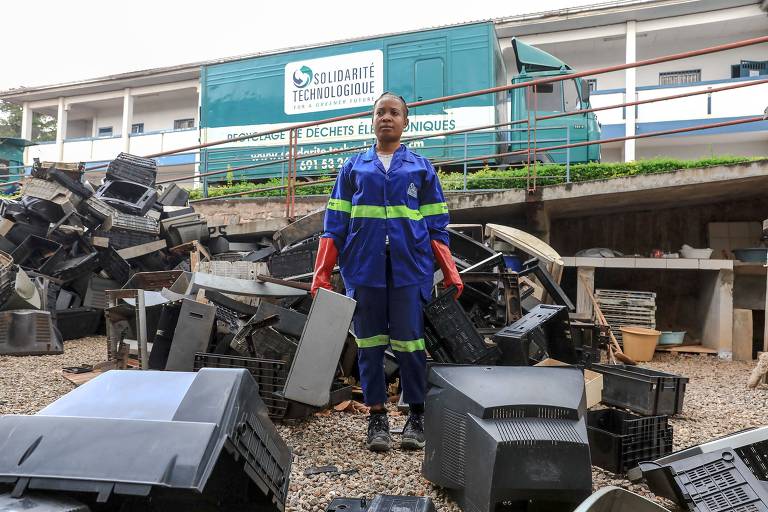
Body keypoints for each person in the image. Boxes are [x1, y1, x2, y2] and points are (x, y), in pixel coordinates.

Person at [311, 92, 463, 452]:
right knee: (369, 347)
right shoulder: (353, 169)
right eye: (380, 112)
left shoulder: (421, 169)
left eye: (394, 112)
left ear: (405, 122)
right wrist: (322, 273)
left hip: (409, 270)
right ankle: (377, 418)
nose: (387, 117)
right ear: (372, 120)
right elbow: (334, 226)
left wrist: (450, 270)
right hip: (364, 271)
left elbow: (436, 228)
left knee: (411, 345)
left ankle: (416, 416)